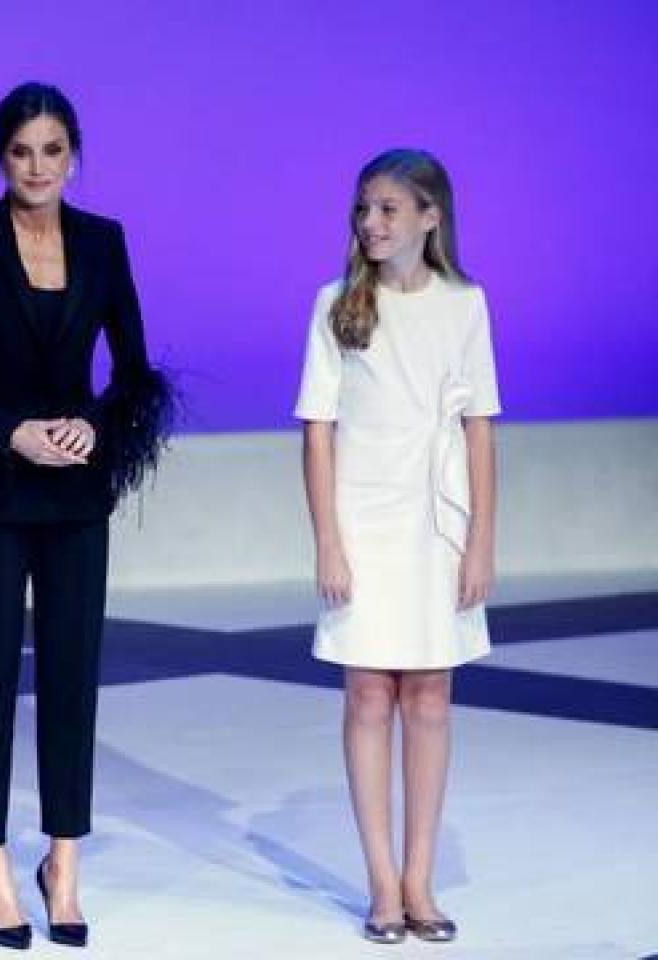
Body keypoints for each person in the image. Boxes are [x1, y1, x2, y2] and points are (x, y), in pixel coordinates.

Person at [0, 82, 174, 950]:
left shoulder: (104, 242)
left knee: (71, 679)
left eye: (52, 150)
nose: (37, 167)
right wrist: (12, 432)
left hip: (77, 490)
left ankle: (64, 861)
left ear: (73, 156)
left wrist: (92, 424)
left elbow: (133, 372)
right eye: (21, 151)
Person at [295, 148, 499, 945]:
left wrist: (481, 539)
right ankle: (381, 880)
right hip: (362, 519)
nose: (371, 223)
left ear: (429, 216)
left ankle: (421, 878)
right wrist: (328, 543)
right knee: (369, 694)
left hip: (434, 521)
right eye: (363, 209)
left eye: (387, 209)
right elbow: (318, 432)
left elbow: (479, 426)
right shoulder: (337, 302)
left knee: (430, 696)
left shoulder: (465, 304)